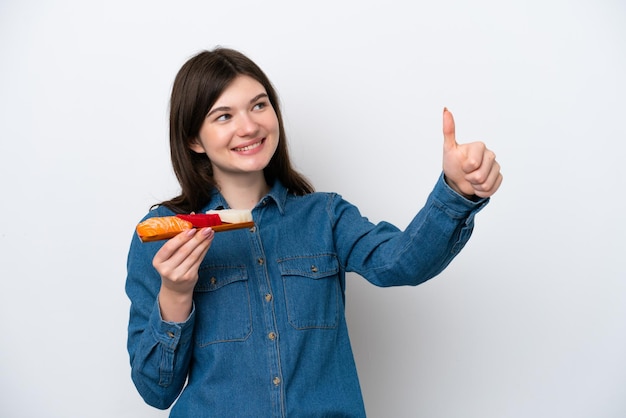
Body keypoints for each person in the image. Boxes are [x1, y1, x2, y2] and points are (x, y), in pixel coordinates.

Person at [125, 47, 502, 417]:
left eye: (259, 105)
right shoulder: (161, 237)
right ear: (194, 139)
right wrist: (175, 294)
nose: (249, 126)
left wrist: (456, 191)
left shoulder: (325, 216)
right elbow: (156, 391)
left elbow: (401, 263)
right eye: (223, 116)